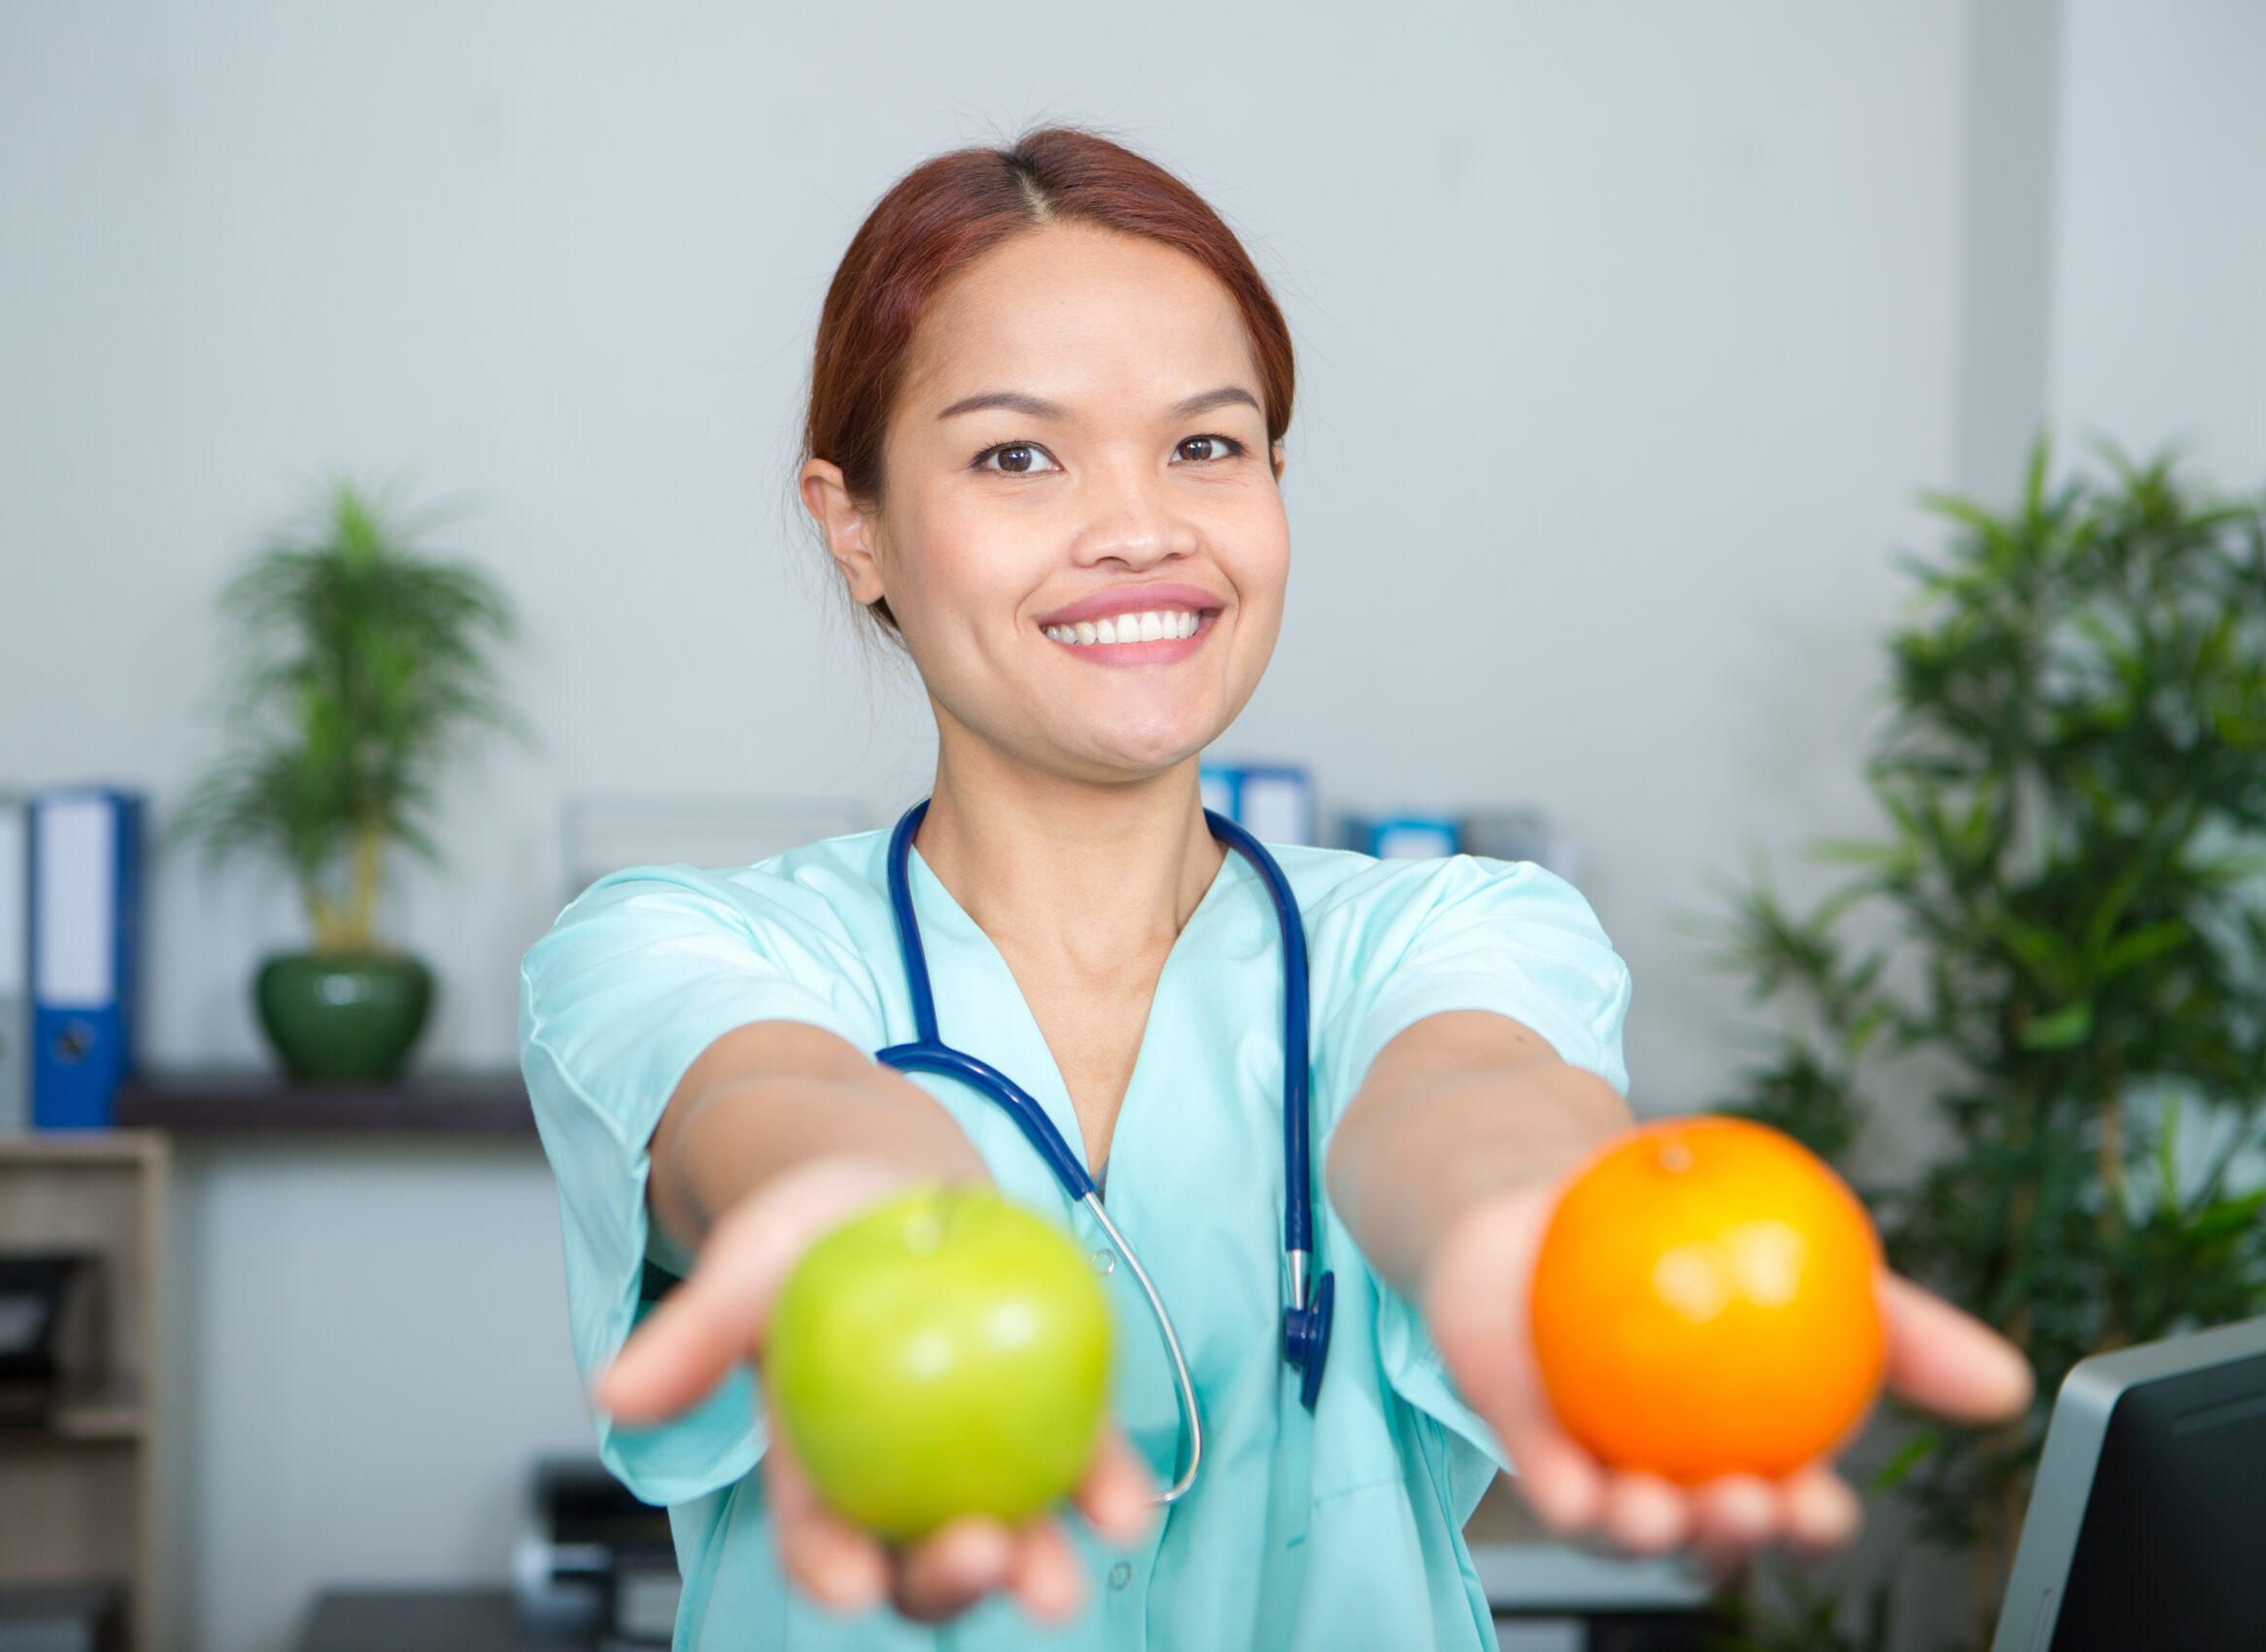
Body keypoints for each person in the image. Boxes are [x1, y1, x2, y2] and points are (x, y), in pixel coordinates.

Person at [520, 127, 2032, 1651]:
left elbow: (1467, 1100)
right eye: (1016, 455)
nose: (1140, 528)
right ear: (855, 528)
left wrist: (1536, 1216)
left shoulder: (1453, 930)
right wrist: (845, 1201)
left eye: (1205, 445)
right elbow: (755, 1100)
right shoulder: (666, 947)